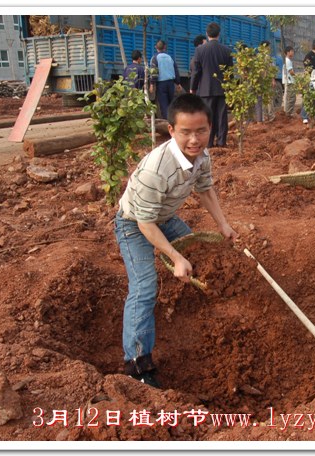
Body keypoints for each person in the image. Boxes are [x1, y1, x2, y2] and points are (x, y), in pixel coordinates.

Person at [114, 93, 238, 388]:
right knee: (144, 288)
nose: (194, 139)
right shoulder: (157, 170)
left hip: (165, 217)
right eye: (185, 132)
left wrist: (223, 225)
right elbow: (145, 222)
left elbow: (205, 189)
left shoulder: (202, 156)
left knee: (201, 255)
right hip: (134, 224)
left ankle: (202, 324)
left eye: (201, 131)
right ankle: (137, 365)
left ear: (210, 128)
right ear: (171, 130)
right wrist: (174, 256)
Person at [190, 22, 233, 148]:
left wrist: (193, 87)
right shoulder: (226, 50)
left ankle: (208, 142)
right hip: (222, 88)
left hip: (205, 89)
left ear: (207, 34)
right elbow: (229, 72)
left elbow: (196, 71)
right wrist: (229, 87)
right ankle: (221, 142)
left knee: (207, 117)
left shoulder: (200, 50)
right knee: (222, 116)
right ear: (219, 34)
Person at [149, 40, 182, 120]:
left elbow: (154, 73)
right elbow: (176, 71)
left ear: (156, 47)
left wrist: (152, 84)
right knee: (172, 104)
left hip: (161, 84)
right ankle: (173, 121)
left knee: (164, 105)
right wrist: (178, 83)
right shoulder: (170, 58)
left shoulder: (154, 58)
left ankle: (167, 123)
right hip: (171, 84)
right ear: (165, 47)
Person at [283, 46, 297, 117]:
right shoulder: (287, 61)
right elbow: (291, 72)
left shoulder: (288, 60)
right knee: (291, 98)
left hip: (290, 81)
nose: (293, 53)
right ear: (288, 52)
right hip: (290, 81)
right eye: (292, 51)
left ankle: (289, 112)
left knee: (291, 98)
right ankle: (289, 113)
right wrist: (297, 77)